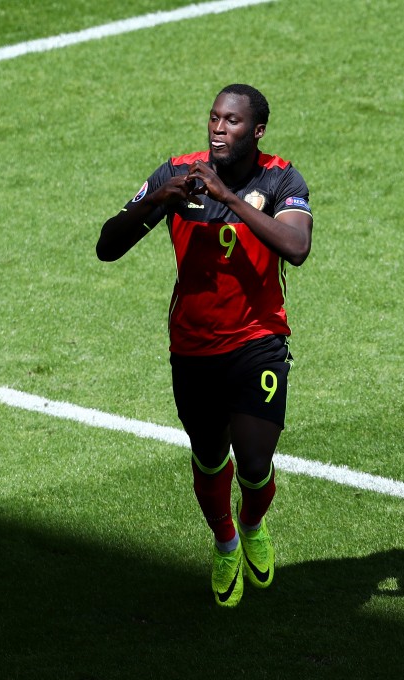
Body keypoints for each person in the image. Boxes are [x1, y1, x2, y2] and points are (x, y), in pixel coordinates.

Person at [96, 84, 313, 608]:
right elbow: (107, 246)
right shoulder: (176, 173)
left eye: (232, 121)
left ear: (256, 131)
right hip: (193, 347)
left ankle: (253, 523)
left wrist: (229, 198)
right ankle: (225, 541)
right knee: (210, 457)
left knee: (256, 462)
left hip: (258, 341)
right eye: (214, 117)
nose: (219, 127)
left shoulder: (281, 178)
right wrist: (157, 201)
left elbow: (297, 247)